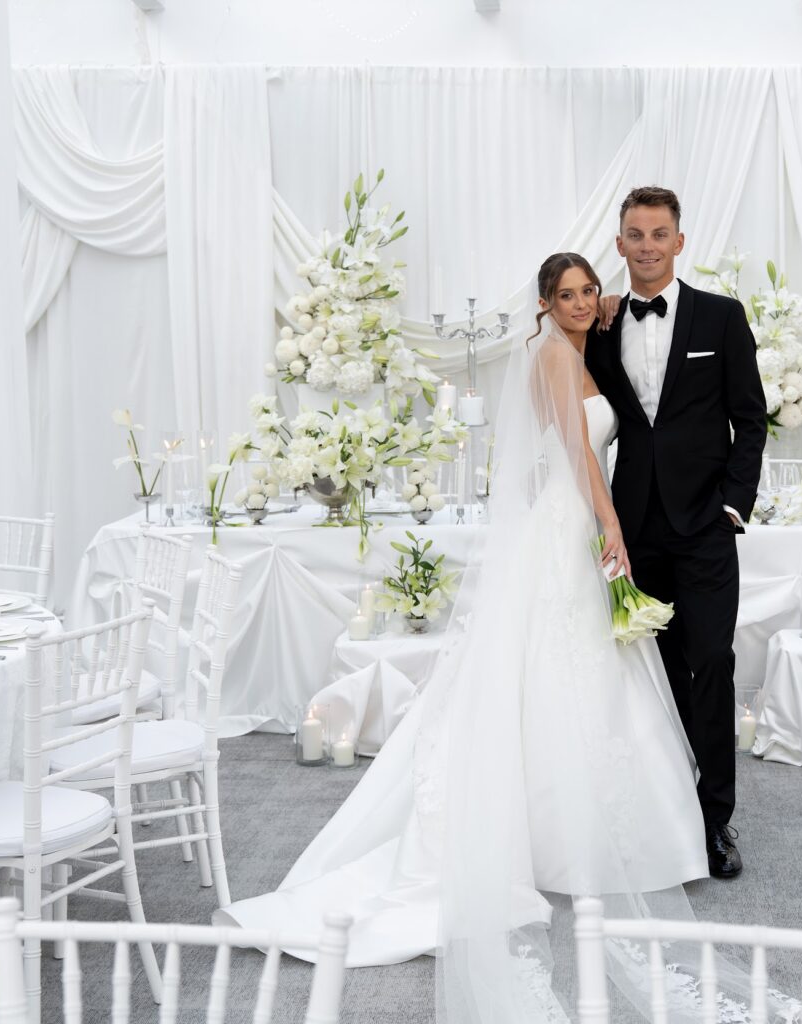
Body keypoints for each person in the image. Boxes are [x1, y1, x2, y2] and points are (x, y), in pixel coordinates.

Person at [218, 252, 710, 1020]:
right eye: (568, 294)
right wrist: (610, 527)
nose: (582, 303)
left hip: (561, 521)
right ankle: (566, 837)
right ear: (544, 302)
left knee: (575, 669)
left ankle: (575, 826)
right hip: (574, 522)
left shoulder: (570, 346)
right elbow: (578, 452)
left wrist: (611, 307)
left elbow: (560, 442)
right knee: (564, 669)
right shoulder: (554, 356)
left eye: (589, 291)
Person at [585, 185, 768, 879]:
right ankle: (663, 813)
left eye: (659, 234)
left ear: (679, 242)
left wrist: (733, 505)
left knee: (710, 662)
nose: (648, 246)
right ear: (620, 243)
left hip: (705, 527)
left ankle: (715, 819)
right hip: (633, 529)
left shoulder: (721, 317)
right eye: (636, 234)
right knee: (650, 674)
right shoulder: (600, 325)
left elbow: (750, 419)